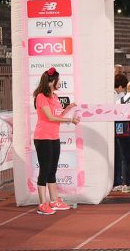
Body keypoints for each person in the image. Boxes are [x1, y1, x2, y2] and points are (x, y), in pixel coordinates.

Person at [32, 67, 80, 215]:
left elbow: (57, 114)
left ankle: (54, 201)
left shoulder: (55, 96)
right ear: (52, 81)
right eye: (59, 80)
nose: (60, 83)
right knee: (44, 171)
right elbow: (50, 117)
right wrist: (69, 119)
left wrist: (68, 109)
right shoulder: (41, 96)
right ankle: (42, 203)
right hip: (43, 138)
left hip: (54, 137)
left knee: (52, 170)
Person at [112, 73, 128, 192]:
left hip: (118, 125)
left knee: (120, 153)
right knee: (118, 154)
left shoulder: (120, 95)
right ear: (121, 87)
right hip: (115, 125)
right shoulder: (115, 96)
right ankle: (117, 180)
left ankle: (119, 178)